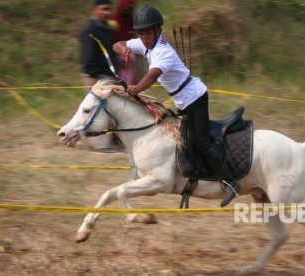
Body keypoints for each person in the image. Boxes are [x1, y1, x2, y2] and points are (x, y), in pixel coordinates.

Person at [112, 6, 241, 207]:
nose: (144, 37)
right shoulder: (145, 44)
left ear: (157, 31)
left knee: (202, 142)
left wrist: (136, 89)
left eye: (148, 32)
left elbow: (152, 75)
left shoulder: (163, 52)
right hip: (184, 100)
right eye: (141, 33)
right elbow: (117, 44)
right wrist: (123, 49)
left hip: (194, 97)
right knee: (185, 141)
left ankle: (230, 183)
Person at [79, 0, 124, 152]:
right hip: (96, 76)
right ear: (95, 10)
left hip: (108, 75)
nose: (106, 12)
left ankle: (110, 142)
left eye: (108, 9)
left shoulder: (108, 29)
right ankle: (99, 145)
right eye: (103, 9)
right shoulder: (89, 30)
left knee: (109, 110)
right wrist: (92, 75)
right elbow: (87, 55)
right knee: (96, 110)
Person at [111, 0, 138, 85]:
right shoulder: (113, 21)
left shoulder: (132, 21)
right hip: (117, 58)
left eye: (131, 5)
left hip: (130, 59)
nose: (129, 8)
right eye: (127, 6)